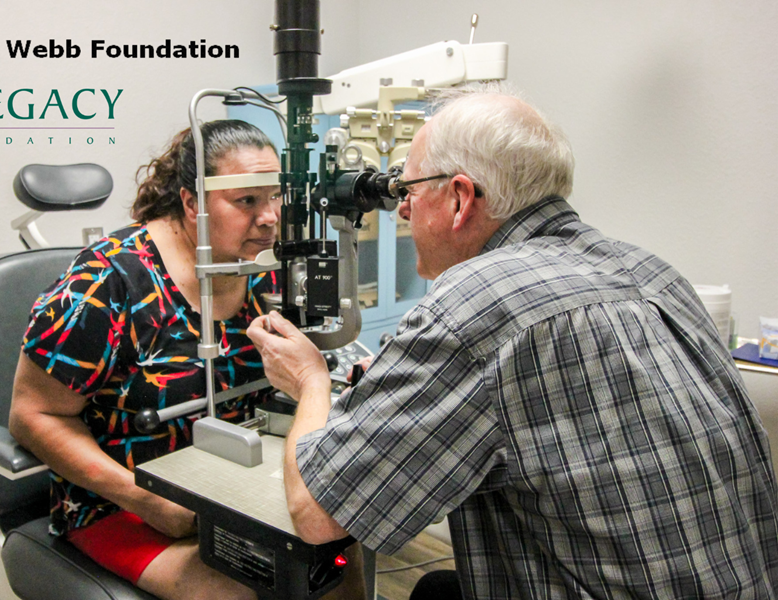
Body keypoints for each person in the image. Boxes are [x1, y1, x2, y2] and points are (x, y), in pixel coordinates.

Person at [247, 85, 778, 599]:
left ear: (459, 198)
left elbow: (321, 513)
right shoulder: (649, 268)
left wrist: (311, 381)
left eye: (408, 191)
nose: (402, 210)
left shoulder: (476, 304)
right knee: (437, 588)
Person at [9, 120, 281, 600]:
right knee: (240, 592)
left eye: (274, 197)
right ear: (192, 201)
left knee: (334, 562)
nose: (269, 218)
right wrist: (145, 498)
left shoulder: (263, 266)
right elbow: (34, 415)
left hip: (238, 490)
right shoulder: (106, 281)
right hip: (124, 505)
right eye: (246, 201)